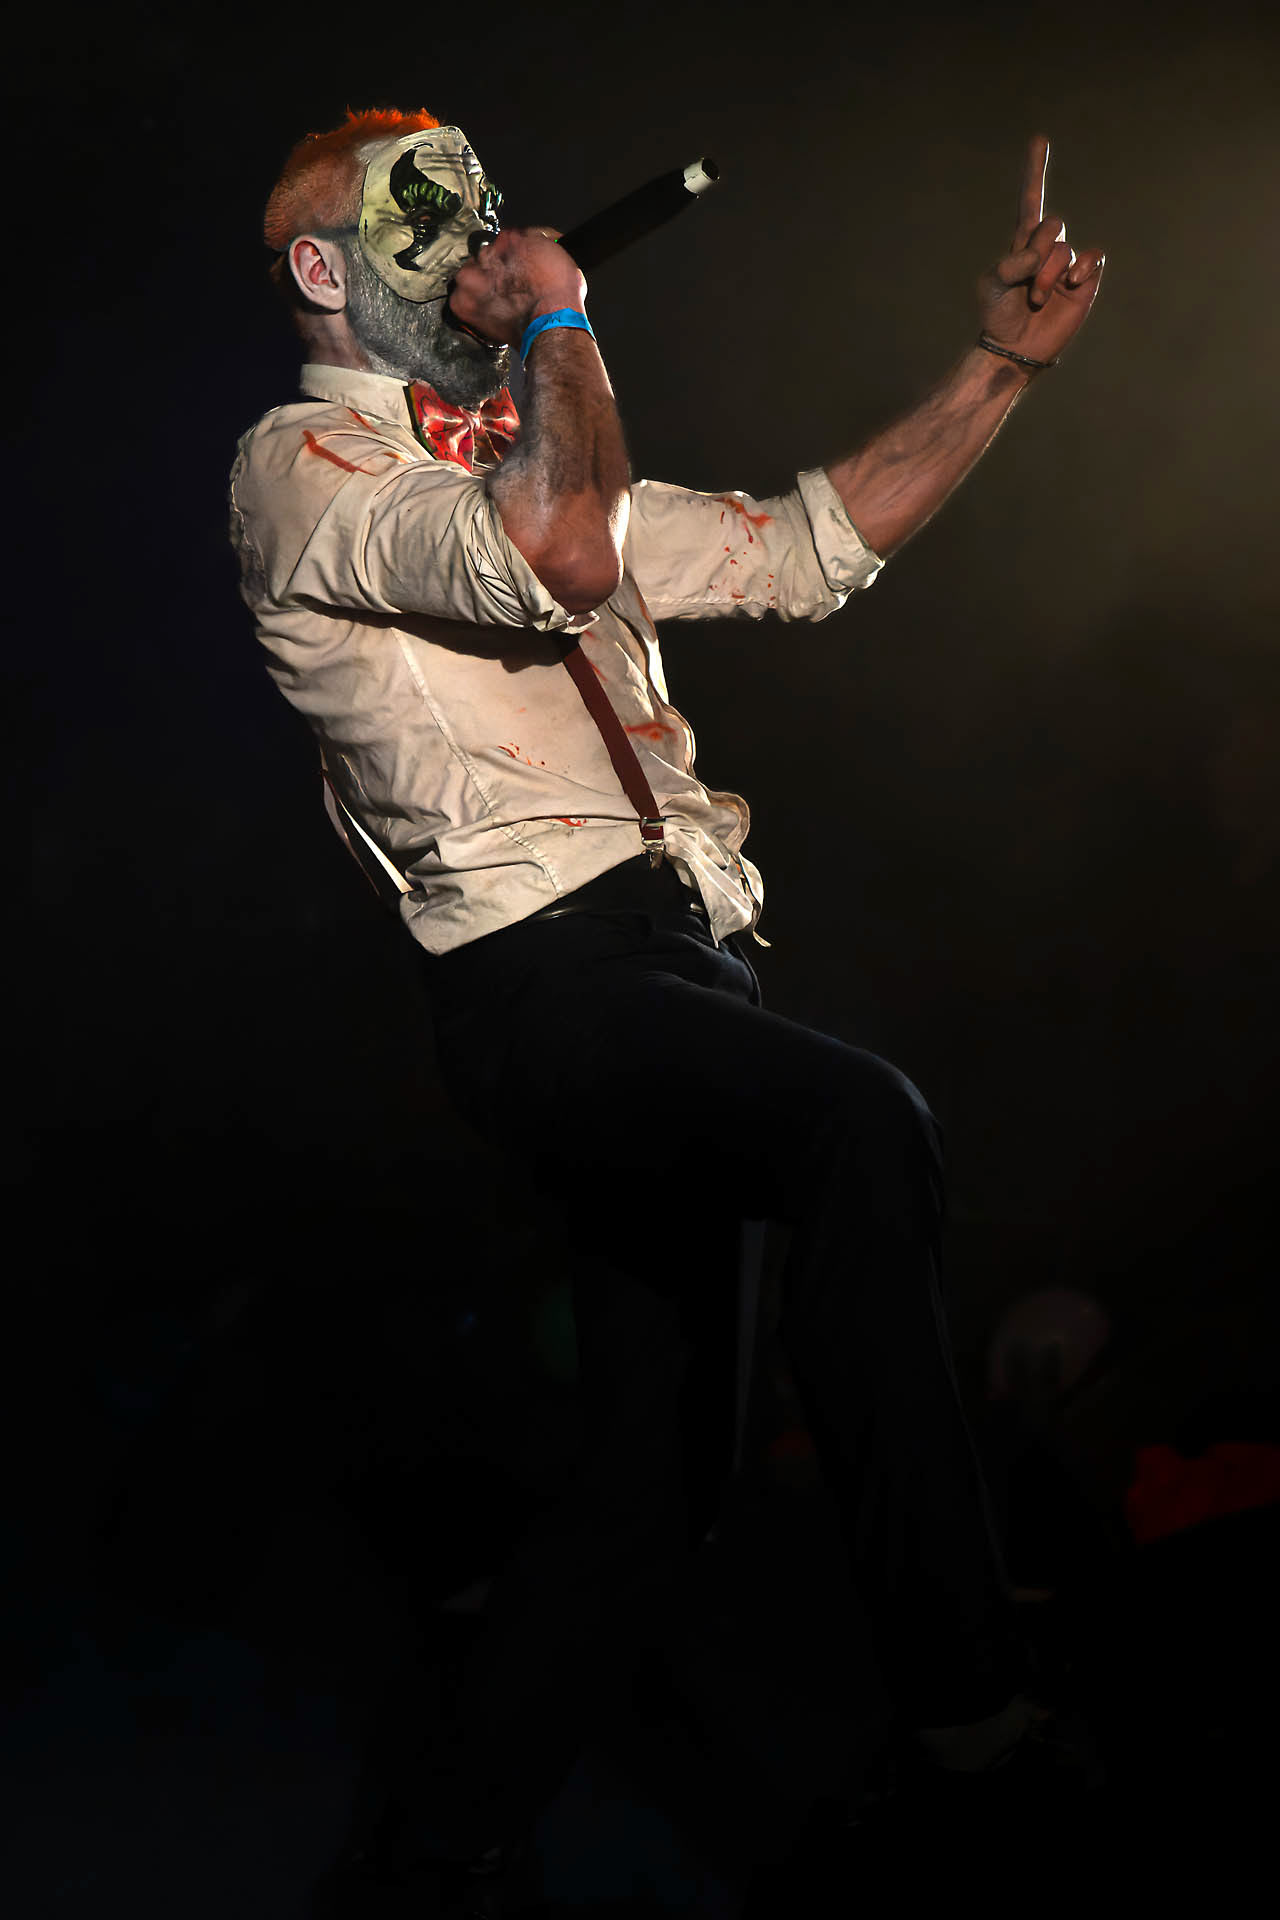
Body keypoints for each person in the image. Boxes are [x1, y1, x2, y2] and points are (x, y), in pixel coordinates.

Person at [230, 107, 1106, 1911]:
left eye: (487, 206)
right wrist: (562, 321)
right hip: (543, 979)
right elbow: (559, 552)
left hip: (675, 964)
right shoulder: (301, 463)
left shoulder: (526, 450)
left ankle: (432, 1860)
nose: (479, 238)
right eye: (426, 222)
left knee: (653, 1487)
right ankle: (969, 1719)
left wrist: (1000, 369)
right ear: (323, 270)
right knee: (859, 1123)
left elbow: (800, 547)